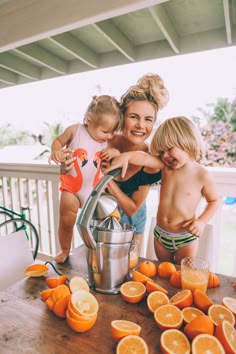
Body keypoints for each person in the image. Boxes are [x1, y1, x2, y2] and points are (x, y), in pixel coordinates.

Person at [105, 116, 219, 264]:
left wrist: (202, 222)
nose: (165, 156)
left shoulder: (201, 174)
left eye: (169, 149)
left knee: (181, 273)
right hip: (160, 235)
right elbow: (144, 158)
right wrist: (126, 156)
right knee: (164, 272)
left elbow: (214, 201)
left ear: (187, 142)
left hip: (185, 237)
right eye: (161, 152)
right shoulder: (166, 167)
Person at [48, 95, 123, 263]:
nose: (109, 136)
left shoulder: (106, 142)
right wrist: (57, 151)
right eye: (105, 131)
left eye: (112, 132)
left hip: (95, 191)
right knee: (66, 220)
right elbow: (58, 141)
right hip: (72, 189)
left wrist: (115, 153)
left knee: (106, 222)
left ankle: (104, 253)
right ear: (89, 120)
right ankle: (65, 249)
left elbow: (116, 158)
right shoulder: (75, 131)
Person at [101, 73, 169, 254]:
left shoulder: (151, 160)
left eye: (148, 119)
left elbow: (131, 209)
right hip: (102, 217)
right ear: (122, 117)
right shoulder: (105, 141)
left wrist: (107, 180)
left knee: (131, 271)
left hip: (133, 223)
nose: (141, 125)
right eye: (134, 117)